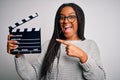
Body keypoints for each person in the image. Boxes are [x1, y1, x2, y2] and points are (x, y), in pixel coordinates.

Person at [7, 3, 106, 80]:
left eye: (71, 16)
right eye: (62, 17)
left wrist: (83, 57)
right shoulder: (49, 44)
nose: (66, 21)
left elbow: (101, 78)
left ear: (79, 20)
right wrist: (19, 55)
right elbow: (32, 77)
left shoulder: (90, 45)